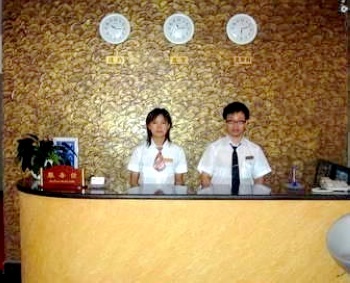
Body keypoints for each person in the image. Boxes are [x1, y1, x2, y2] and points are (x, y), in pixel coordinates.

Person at [197, 101, 271, 193]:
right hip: (219, 202)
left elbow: (259, 179)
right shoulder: (214, 148)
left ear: (246, 123)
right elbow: (205, 177)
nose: (235, 125)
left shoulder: (255, 150)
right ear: (225, 123)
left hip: (245, 202)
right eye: (231, 121)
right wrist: (213, 201)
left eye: (240, 121)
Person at [127, 108, 188, 187]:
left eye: (163, 123)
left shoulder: (178, 151)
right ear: (149, 126)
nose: (159, 127)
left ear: (168, 126)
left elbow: (179, 182)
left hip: (169, 198)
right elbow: (133, 182)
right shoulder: (139, 151)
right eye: (155, 123)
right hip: (145, 197)